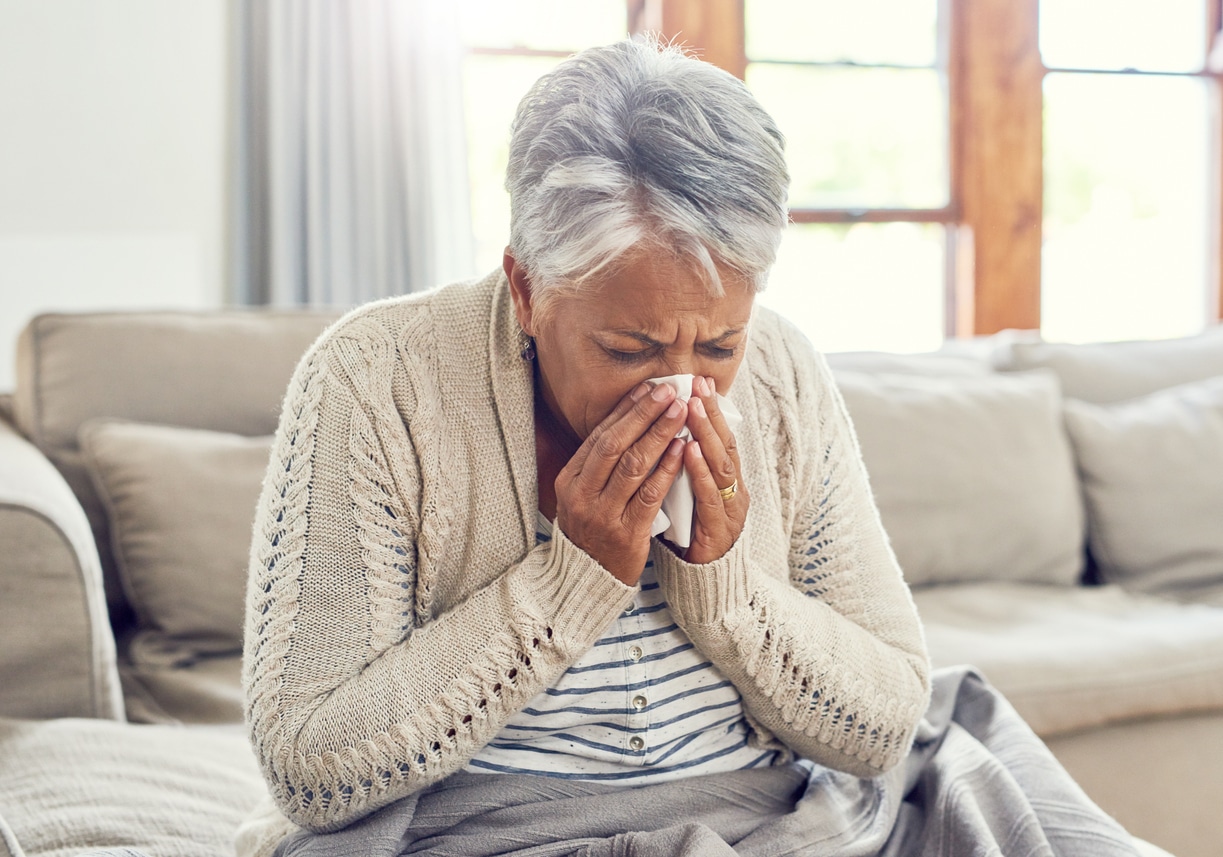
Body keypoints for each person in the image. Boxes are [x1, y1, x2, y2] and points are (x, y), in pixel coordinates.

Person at [238, 37, 1140, 857]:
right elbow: (312, 764)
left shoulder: (785, 366)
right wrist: (567, 583)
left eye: (717, 347)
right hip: (493, 830)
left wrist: (730, 589)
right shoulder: (374, 380)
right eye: (626, 349)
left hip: (786, 820)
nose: (680, 392)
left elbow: (883, 717)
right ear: (526, 286)